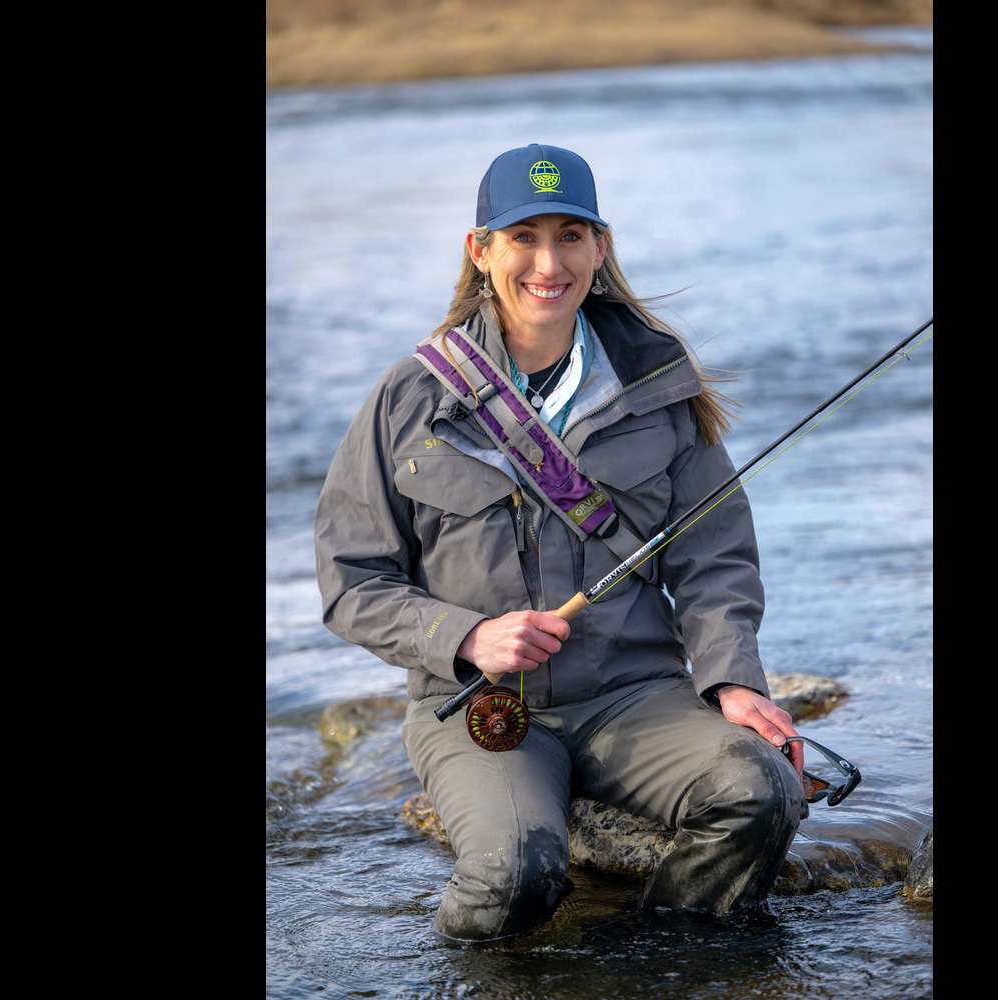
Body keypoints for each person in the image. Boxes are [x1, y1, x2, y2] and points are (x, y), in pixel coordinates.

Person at [315, 143, 805, 943]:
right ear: (481, 251)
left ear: (600, 248)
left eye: (571, 236)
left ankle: (658, 966)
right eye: (524, 237)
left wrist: (730, 681)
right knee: (516, 875)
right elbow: (349, 581)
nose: (550, 262)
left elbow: (715, 559)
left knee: (761, 793)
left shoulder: (658, 383)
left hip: (634, 693)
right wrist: (467, 635)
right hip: (480, 709)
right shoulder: (408, 398)